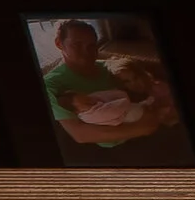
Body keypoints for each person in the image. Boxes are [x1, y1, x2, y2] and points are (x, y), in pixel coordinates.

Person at [40, 14, 178, 150]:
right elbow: (80, 134)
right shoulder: (50, 85)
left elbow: (144, 85)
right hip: (117, 145)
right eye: (77, 45)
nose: (86, 51)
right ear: (59, 43)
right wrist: (143, 127)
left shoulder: (110, 66)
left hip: (148, 116)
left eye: (92, 45)